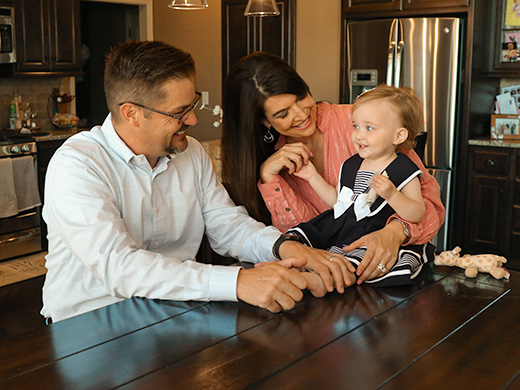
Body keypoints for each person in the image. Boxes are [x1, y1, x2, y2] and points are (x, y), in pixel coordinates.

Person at [41, 41, 347, 323]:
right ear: (131, 114)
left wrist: (285, 247)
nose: (193, 120)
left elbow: (227, 225)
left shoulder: (191, 153)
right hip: (91, 322)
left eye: (193, 104)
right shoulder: (78, 165)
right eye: (179, 112)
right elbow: (120, 267)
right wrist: (238, 283)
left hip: (175, 309)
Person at [221, 52, 445, 284]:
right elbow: (305, 228)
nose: (301, 114)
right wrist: (269, 177)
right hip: (327, 267)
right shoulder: (275, 160)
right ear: (265, 122)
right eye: (283, 113)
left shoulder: (367, 121)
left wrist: (395, 232)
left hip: (367, 268)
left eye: (300, 98)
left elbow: (431, 208)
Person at [286, 84, 436, 286]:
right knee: (303, 236)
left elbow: (418, 212)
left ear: (398, 136)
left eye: (369, 128)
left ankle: (318, 280)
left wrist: (392, 195)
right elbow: (339, 203)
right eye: (355, 126)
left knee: (364, 258)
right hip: (345, 228)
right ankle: (298, 266)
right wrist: (313, 177)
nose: (358, 135)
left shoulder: (403, 168)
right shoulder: (351, 164)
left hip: (373, 231)